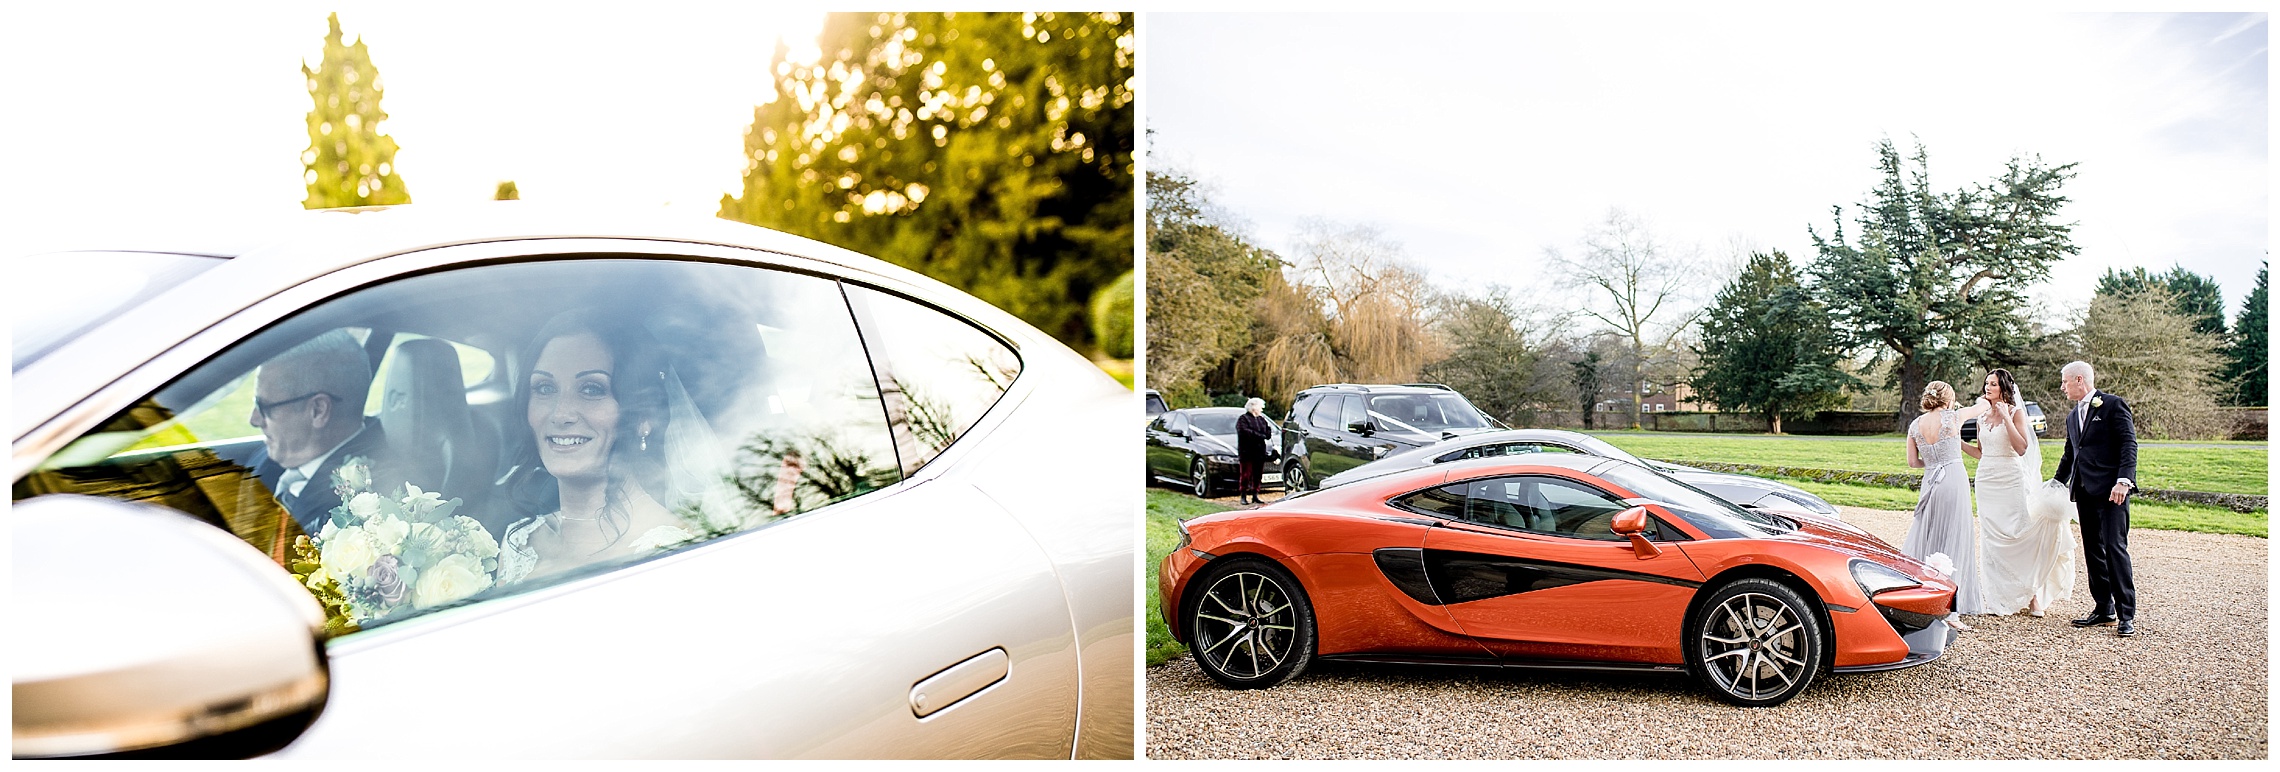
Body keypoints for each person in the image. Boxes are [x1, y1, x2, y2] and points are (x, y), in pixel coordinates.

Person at [496, 310, 702, 585]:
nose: (561, 414)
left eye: (591, 389)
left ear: (643, 418)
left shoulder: (673, 552)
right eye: (545, 388)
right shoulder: (517, 545)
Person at [1956, 368, 2075, 617]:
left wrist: (2006, 418)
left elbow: (2021, 448)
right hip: (1987, 480)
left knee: (2017, 532)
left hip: (2010, 479)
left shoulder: (2016, 412)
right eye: (1986, 384)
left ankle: (2032, 597)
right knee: (1991, 540)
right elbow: (1981, 453)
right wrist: (1958, 444)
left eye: (1994, 384)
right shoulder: (1981, 418)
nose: (1988, 388)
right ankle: (1997, 598)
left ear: (2004, 389)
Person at [248, 329, 389, 534]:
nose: (254, 420)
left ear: (318, 410)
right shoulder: (265, 460)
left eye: (265, 407)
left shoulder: (359, 514)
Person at [2054, 360, 2139, 637]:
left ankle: (2127, 614)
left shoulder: (2113, 405)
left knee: (2115, 548)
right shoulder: (2071, 416)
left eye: (2065, 382)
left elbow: (2128, 443)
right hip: (2085, 491)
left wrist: (2123, 481)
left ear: (2080, 380)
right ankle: (2104, 608)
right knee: (2093, 550)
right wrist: (2056, 483)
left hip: (2113, 491)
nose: (2062, 387)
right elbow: (2071, 454)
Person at [1903, 380, 1982, 629]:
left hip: (1931, 483)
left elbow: (1913, 463)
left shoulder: (1915, 424)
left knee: (1929, 537)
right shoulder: (1954, 416)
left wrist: (1934, 463)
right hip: (1953, 480)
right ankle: (1951, 611)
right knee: (1954, 539)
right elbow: (1981, 407)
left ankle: (1922, 601)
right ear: (1948, 399)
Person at [1235, 398, 1274, 506]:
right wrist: (1259, 435)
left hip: (1259, 451)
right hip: (1246, 451)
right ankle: (1243, 495)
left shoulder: (1261, 419)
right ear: (1253, 407)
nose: (1262, 409)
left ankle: (1255, 494)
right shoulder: (1243, 419)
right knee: (1246, 474)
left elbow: (1267, 433)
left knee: (1257, 474)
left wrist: (1267, 432)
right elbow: (1244, 432)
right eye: (1260, 406)